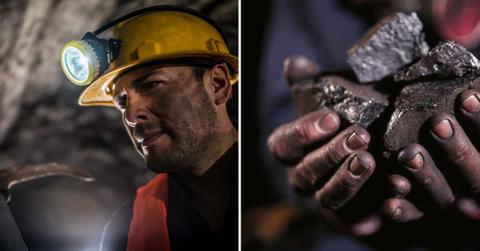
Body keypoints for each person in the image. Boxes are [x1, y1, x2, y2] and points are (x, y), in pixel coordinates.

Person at [60, 6, 238, 251]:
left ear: (217, 85)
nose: (131, 115)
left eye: (153, 84)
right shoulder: (125, 230)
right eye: (121, 102)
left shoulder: (274, 174)